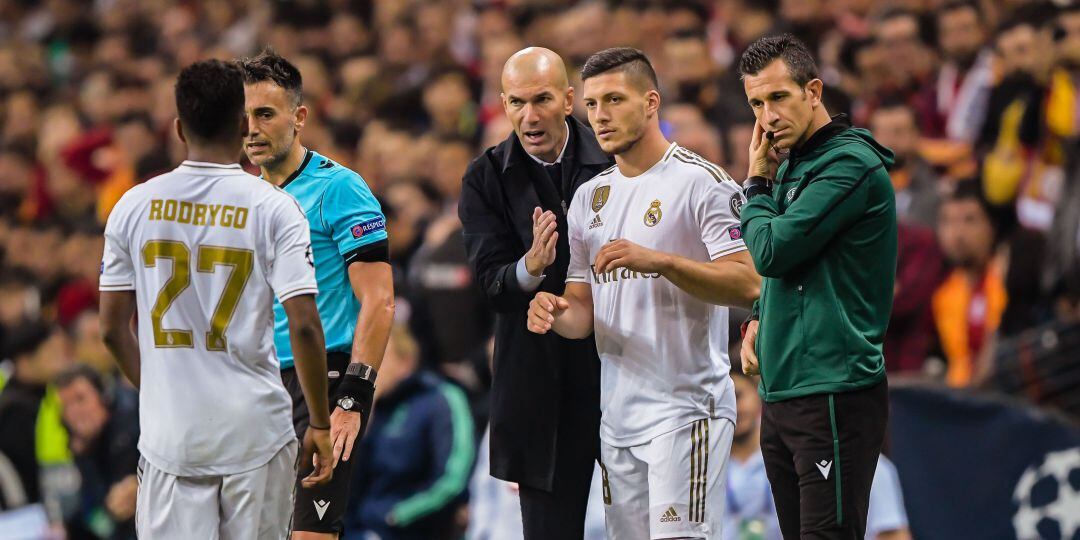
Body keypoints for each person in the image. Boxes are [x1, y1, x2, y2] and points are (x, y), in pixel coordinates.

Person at [528, 47, 760, 538]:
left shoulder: (703, 183)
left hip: (686, 408)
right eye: (591, 105)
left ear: (651, 102)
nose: (600, 115)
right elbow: (582, 313)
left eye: (614, 99)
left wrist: (661, 262)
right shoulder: (591, 198)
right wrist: (553, 310)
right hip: (617, 417)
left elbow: (748, 281)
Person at [98, 59, 334, 539]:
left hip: (171, 439)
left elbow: (109, 328)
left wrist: (159, 390)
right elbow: (305, 324)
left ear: (179, 129)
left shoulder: (133, 205)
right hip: (255, 433)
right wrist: (321, 422)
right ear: (243, 124)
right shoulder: (275, 207)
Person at [738, 34, 895, 539]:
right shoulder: (795, 164)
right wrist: (757, 317)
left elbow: (773, 251)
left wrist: (757, 184)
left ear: (813, 90)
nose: (767, 116)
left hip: (832, 387)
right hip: (784, 387)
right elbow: (789, 273)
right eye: (756, 104)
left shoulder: (849, 164)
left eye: (778, 97)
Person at [238, 49, 396, 539]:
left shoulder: (340, 189)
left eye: (265, 113)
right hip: (259, 381)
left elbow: (380, 299)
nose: (252, 128)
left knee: (311, 534)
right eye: (242, 116)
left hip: (323, 381)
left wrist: (354, 394)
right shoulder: (244, 198)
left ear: (299, 116)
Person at [458, 47, 613, 539]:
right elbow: (490, 283)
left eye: (542, 99)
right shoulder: (484, 177)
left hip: (621, 372)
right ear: (502, 104)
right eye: (517, 102)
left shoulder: (616, 159)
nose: (530, 115)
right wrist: (530, 267)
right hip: (538, 387)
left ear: (569, 100)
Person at [345, 325, 474, 540]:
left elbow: (452, 478)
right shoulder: (375, 409)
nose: (370, 369)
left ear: (406, 362)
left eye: (380, 359)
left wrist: (395, 517)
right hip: (361, 530)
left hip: (412, 530)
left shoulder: (441, 399)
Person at [55, 364, 139, 540]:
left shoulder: (134, 429)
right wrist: (109, 512)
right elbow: (92, 516)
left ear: (103, 396)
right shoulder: (81, 451)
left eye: (80, 399)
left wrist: (143, 487)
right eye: (66, 406)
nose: (74, 412)